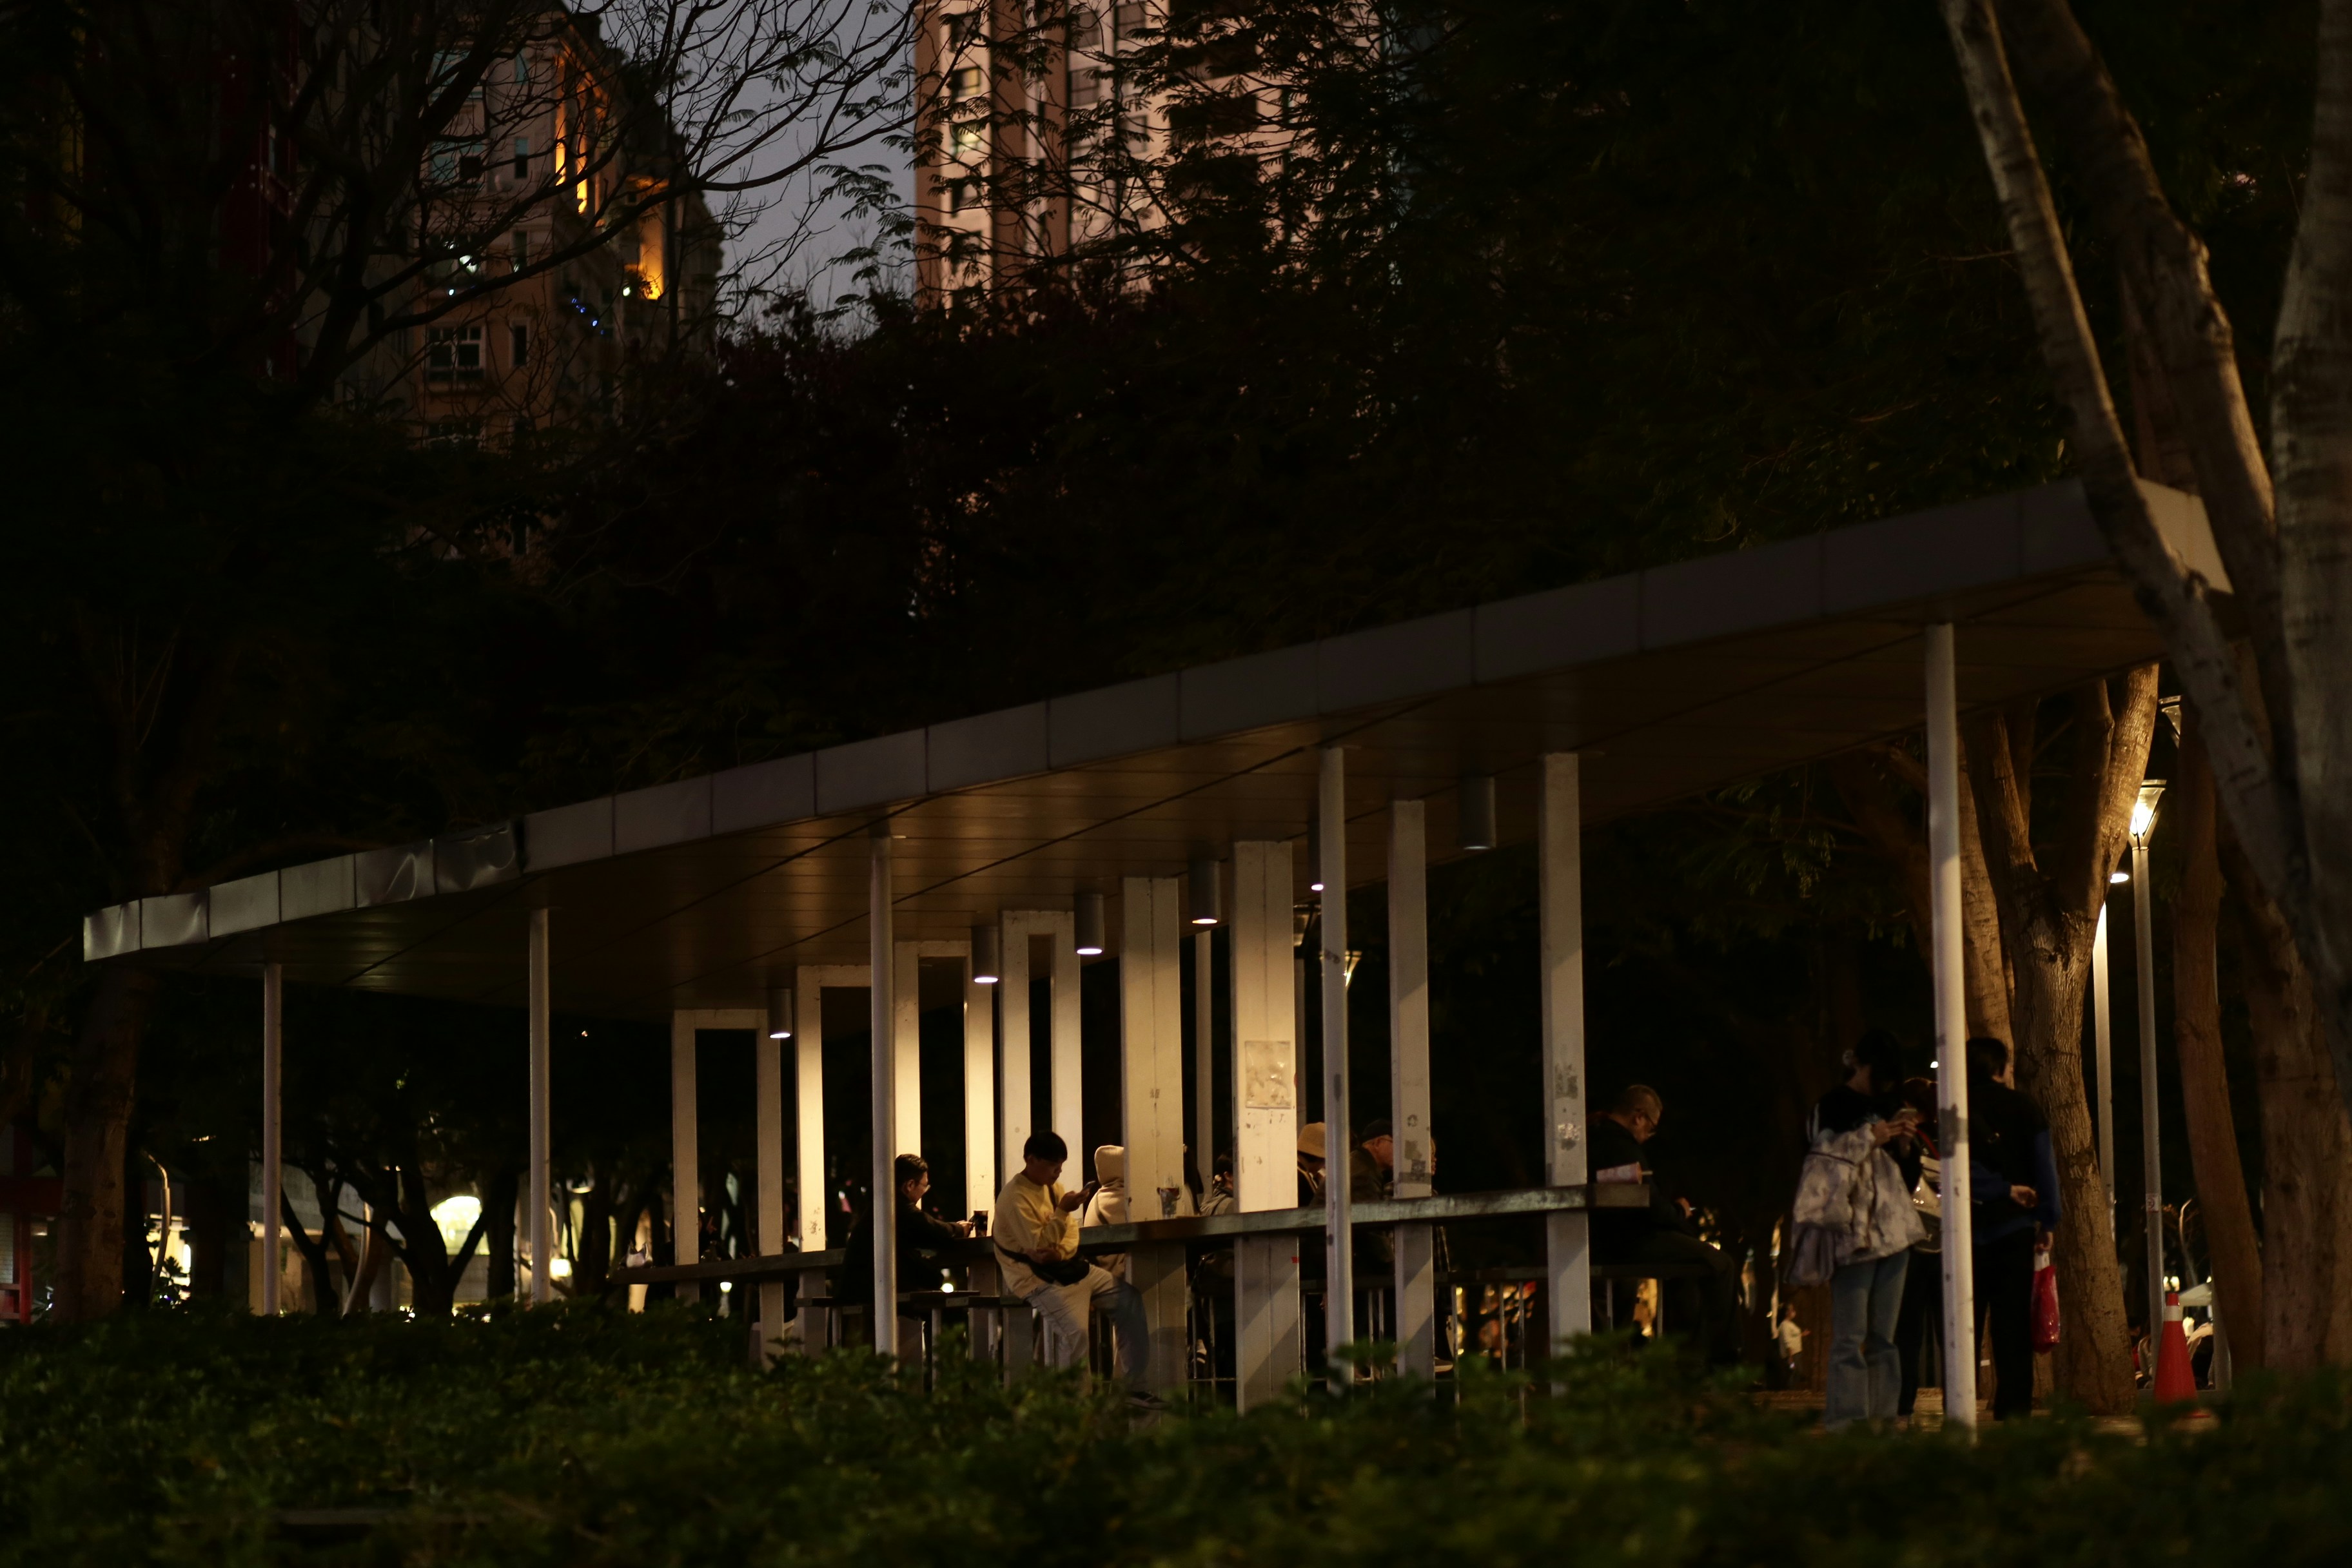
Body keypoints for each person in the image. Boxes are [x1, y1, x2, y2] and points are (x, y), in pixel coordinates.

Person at [1807, 1030, 1926, 1430]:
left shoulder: (1891, 1105)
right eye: (1880, 1075)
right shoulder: (1833, 1106)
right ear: (1858, 1064)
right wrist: (1868, 1138)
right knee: (1849, 1336)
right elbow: (1821, 1167)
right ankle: (1846, 1424)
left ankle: (1883, 1422)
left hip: (1895, 1234)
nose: (1885, 1086)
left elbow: (1907, 1181)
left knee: (1885, 1338)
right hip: (1852, 1236)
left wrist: (1906, 1147)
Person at [992, 1130, 1154, 1402]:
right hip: (1035, 1279)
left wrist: (1060, 1252)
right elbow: (1040, 1244)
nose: (1057, 1173)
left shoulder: (1052, 1189)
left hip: (1069, 1268)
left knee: (1129, 1300)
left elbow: (1070, 1235)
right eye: (1053, 1166)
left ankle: (1134, 1388)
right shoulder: (1014, 1197)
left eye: (1061, 1167)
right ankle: (1075, 1408)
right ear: (1031, 1160)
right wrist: (1063, 1212)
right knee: (1076, 1334)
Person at [1587, 1084, 1740, 1363]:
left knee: (1689, 1272)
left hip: (1607, 1238)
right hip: (1632, 1239)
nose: (1648, 1136)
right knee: (1720, 1264)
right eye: (1651, 1128)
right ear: (1638, 1116)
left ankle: (1690, 1357)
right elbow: (1650, 1204)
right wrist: (1679, 1213)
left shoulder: (1595, 1137)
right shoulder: (1621, 1146)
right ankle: (1721, 1358)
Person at [1966, 1035, 2059, 1420]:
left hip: (1965, 1231)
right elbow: (2044, 1168)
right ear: (2000, 1069)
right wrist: (2047, 1221)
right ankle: (2014, 1406)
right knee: (2011, 1323)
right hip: (2015, 1229)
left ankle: (1959, 1401)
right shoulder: (2025, 1108)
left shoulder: (1955, 1108)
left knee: (1964, 1320)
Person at [838, 1153, 970, 1344]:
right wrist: (959, 1229)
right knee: (950, 1309)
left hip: (861, 1287)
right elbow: (932, 1229)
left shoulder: (879, 1204)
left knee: (937, 1298)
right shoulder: (898, 1206)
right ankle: (943, 1368)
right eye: (925, 1186)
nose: (925, 1191)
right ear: (910, 1185)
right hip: (874, 1289)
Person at [1891, 1076, 1943, 1421]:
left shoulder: (1900, 1141)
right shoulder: (1948, 1139)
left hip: (1908, 1244)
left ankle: (1902, 1404)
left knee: (1906, 1333)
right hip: (1945, 1245)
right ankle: (1959, 1401)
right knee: (1949, 1330)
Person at [1775, 1304, 1807, 1389]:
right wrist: (1790, 1356)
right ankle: (1790, 1390)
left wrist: (1802, 1335)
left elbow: (1793, 1335)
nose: (1793, 1312)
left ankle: (1792, 1389)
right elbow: (1787, 1341)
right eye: (1791, 1310)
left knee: (1796, 1371)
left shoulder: (1790, 1324)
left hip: (1796, 1353)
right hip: (1792, 1354)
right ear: (1786, 1312)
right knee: (1794, 1370)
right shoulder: (1785, 1325)